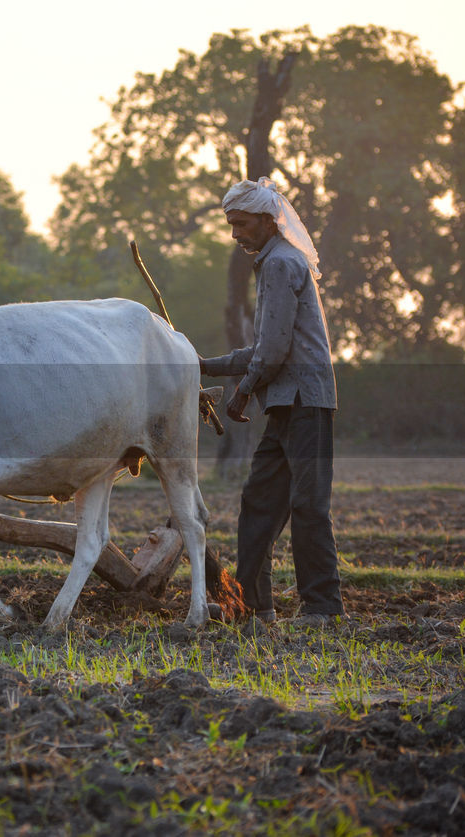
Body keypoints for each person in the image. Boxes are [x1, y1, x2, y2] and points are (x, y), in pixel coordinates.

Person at [199, 177, 344, 627]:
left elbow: (274, 350)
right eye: (230, 225)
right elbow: (263, 348)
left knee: (307, 504)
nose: (235, 233)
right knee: (259, 503)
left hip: (305, 402)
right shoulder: (273, 262)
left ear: (266, 221)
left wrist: (241, 390)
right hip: (285, 403)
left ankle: (322, 607)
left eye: (241, 224)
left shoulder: (281, 265)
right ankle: (251, 607)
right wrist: (202, 365)